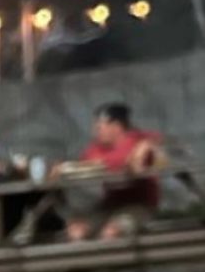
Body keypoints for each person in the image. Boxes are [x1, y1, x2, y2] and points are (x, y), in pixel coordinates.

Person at [64, 103, 164, 241]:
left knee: (111, 233)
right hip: (109, 205)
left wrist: (145, 147)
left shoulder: (137, 140)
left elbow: (160, 140)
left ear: (116, 126)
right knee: (76, 231)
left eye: (100, 126)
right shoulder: (96, 148)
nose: (96, 131)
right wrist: (60, 169)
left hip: (139, 205)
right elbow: (80, 166)